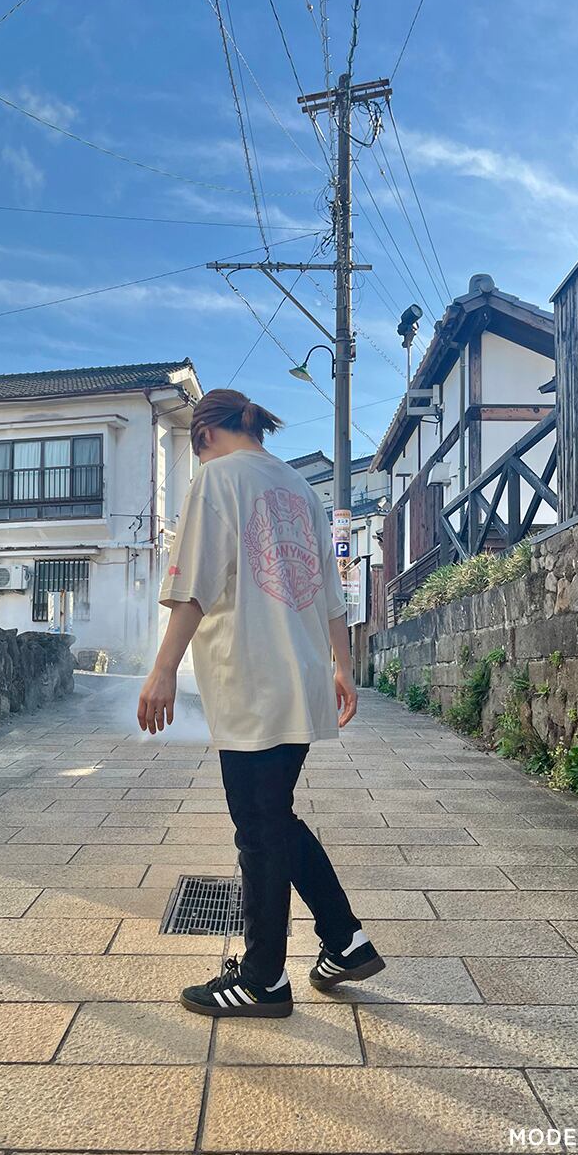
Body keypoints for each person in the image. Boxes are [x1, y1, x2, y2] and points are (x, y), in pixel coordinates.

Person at [137, 387, 384, 1019]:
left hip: (250, 676)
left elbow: (193, 587)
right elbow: (331, 595)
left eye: (196, 448)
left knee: (259, 826)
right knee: (273, 817)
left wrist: (162, 670)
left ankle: (264, 978)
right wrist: (343, 668)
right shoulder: (300, 489)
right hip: (302, 675)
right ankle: (344, 940)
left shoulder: (217, 479)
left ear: (204, 436)